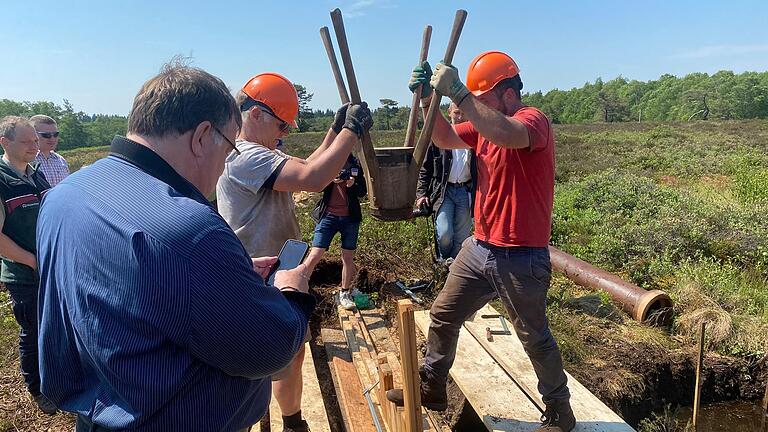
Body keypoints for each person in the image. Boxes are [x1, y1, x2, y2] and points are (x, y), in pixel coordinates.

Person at [36, 62, 315, 432]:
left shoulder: (64, 196)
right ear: (202, 136)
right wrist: (290, 291)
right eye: (229, 146)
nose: (224, 165)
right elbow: (270, 349)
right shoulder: (189, 230)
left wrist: (225, 274)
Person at [388, 51, 576, 432]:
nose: (474, 109)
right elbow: (442, 136)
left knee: (533, 336)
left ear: (508, 94)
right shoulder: (482, 126)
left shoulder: (532, 121)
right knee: (443, 315)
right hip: (480, 247)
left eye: (482, 100)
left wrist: (457, 93)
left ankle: (560, 410)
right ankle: (433, 385)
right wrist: (428, 99)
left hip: (521, 254)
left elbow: (506, 134)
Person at [216, 72, 372, 432]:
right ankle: (268, 421)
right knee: (266, 357)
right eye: (281, 125)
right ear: (254, 114)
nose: (284, 133)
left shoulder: (261, 153)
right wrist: (351, 131)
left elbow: (306, 167)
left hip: (279, 269)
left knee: (291, 352)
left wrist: (335, 131)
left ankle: (292, 421)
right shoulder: (244, 156)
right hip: (260, 273)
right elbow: (314, 178)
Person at [0, 116, 55, 415]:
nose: (36, 146)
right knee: (32, 331)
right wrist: (32, 260)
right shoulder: (1, 179)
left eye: (36, 140)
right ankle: (37, 388)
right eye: (28, 142)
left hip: (47, 267)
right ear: (5, 143)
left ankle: (56, 377)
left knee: (54, 325)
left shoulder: (35, 173)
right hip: (24, 274)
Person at [303, 154, 367, 310]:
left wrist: (352, 184)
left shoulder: (355, 164)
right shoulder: (328, 161)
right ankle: (301, 287)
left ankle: (344, 292)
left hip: (350, 218)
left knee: (347, 257)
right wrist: (330, 180)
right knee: (315, 253)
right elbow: (316, 185)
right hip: (328, 216)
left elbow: (362, 191)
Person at [415, 102, 476, 263]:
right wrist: (421, 194)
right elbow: (425, 168)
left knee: (462, 237)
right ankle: (444, 262)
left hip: (465, 190)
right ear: (449, 112)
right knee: (444, 234)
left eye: (463, 113)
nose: (460, 117)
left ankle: (453, 270)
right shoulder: (439, 136)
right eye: (456, 113)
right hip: (444, 191)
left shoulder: (475, 137)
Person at [30, 115, 69, 186]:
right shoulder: (28, 161)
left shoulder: (61, 160)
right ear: (33, 135)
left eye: (55, 134)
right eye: (46, 135)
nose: (52, 138)